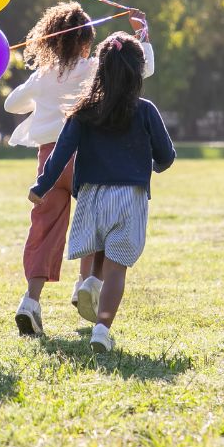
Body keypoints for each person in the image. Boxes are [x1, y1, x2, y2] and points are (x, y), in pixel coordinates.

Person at [5, 3, 154, 336]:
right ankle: (86, 284)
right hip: (87, 158)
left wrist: (40, 88)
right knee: (98, 223)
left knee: (44, 230)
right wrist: (141, 34)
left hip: (49, 162)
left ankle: (31, 301)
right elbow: (141, 70)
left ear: (51, 42)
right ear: (87, 42)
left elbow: (10, 104)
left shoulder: (43, 76)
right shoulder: (93, 69)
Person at [29, 32, 175, 352]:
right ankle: (101, 329)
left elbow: (61, 154)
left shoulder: (83, 111)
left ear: (100, 70)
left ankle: (90, 282)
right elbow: (166, 155)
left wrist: (42, 186)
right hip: (129, 197)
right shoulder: (146, 110)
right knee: (117, 268)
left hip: (92, 196)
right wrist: (154, 165)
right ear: (137, 72)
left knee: (98, 247)